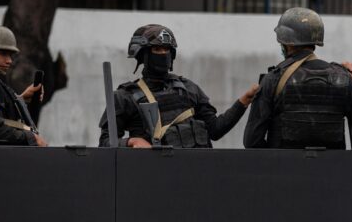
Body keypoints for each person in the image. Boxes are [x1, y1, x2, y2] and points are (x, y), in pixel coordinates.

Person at [98, 24, 259, 148]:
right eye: (157, 49)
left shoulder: (189, 89)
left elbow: (215, 130)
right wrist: (131, 142)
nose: (162, 54)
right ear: (143, 55)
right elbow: (106, 142)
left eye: (166, 49)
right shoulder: (124, 97)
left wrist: (244, 101)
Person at [243, 7, 352, 149]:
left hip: (285, 169)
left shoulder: (273, 80)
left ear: (288, 43)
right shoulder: (343, 78)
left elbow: (252, 142)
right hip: (334, 170)